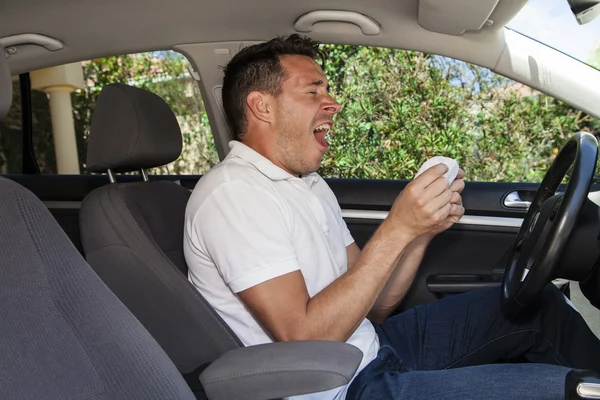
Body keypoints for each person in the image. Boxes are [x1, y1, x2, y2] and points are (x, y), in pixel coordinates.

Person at [183, 34, 600, 399]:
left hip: (372, 345)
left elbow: (377, 306)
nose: (333, 103)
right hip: (339, 389)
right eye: (313, 91)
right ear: (261, 106)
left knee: (540, 304)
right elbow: (305, 338)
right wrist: (397, 227)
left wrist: (420, 233)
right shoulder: (233, 194)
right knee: (572, 391)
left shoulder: (306, 184)